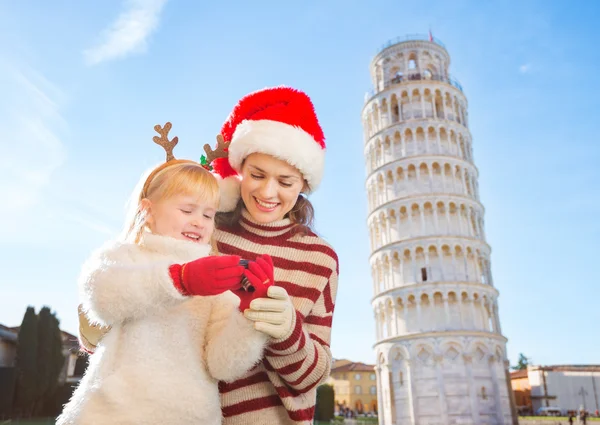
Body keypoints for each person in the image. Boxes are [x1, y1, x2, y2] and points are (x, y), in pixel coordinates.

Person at [79, 87, 340, 425]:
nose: (267, 192)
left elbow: (310, 378)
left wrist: (286, 331)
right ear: (239, 169)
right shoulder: (203, 230)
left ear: (304, 183)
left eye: (286, 182)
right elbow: (127, 283)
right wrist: (92, 322)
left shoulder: (319, 258)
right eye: (257, 175)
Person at [59, 123, 271, 425]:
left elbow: (222, 365)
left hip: (189, 416)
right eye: (187, 210)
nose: (199, 222)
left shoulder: (218, 279)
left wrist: (250, 319)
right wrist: (180, 280)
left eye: (208, 214)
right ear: (148, 210)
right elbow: (102, 297)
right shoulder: (126, 255)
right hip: (112, 412)